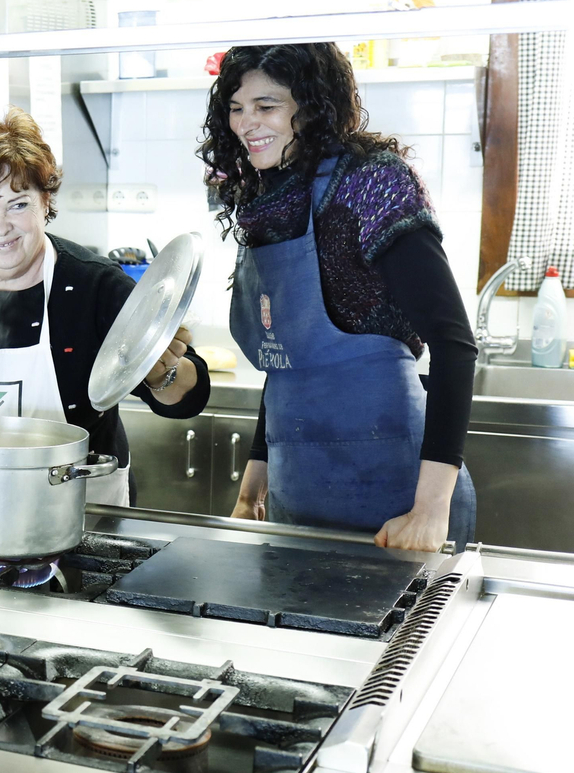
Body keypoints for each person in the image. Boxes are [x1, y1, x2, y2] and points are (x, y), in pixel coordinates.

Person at [199, 43, 477, 551]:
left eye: (266, 105)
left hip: (398, 499)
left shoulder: (372, 182)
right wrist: (252, 490)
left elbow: (454, 344)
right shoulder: (267, 198)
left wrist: (430, 511)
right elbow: (286, 358)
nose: (245, 124)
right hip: (297, 496)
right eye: (236, 108)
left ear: (313, 105)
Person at [0, 109, 209, 506]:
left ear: (45, 201)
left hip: (75, 512)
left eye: (18, 204)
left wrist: (163, 372)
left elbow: (187, 399)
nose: (1, 226)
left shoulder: (94, 285)